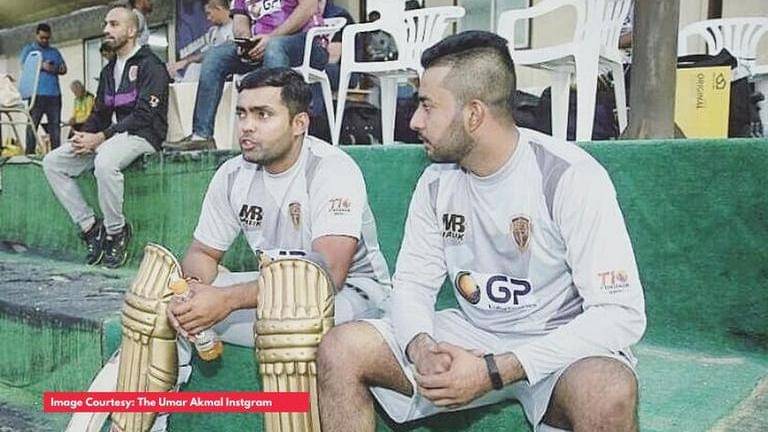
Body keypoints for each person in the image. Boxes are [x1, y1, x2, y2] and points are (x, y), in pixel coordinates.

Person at [317, 31, 647, 432]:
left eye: (427, 106)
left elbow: (620, 315)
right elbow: (413, 286)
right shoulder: (436, 181)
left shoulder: (569, 176)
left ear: (473, 114)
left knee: (609, 389)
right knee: (341, 348)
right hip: (473, 333)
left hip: (555, 343)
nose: (415, 121)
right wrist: (421, 347)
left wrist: (496, 370)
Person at [167, 66, 391, 341]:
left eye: (262, 114)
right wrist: (193, 292)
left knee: (290, 325)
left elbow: (328, 274)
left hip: (354, 293)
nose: (247, 126)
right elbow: (202, 253)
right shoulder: (232, 174)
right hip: (275, 290)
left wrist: (227, 299)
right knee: (163, 306)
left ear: (299, 124)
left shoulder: (331, 169)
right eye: (242, 113)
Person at [42, 5, 169, 269]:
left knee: (104, 162)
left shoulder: (152, 65)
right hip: (114, 136)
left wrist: (101, 137)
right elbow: (99, 112)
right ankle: (90, 227)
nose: (106, 30)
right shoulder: (109, 70)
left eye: (113, 24)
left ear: (131, 31)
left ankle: (116, 232)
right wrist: (84, 136)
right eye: (105, 24)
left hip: (144, 135)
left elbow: (144, 115)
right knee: (53, 162)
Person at [164, 0, 328, 151]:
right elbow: (240, 20)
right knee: (215, 56)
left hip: (307, 42)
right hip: (262, 44)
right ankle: (202, 136)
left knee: (274, 48)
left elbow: (308, 8)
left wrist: (271, 37)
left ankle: (277, 131)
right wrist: (245, 41)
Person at [20, 23, 67, 154]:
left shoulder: (54, 52)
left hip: (54, 95)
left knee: (55, 127)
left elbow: (63, 69)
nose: (45, 40)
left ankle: (56, 155)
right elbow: (24, 66)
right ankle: (29, 154)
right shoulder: (29, 50)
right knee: (32, 126)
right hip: (36, 94)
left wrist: (53, 68)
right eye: (42, 38)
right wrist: (41, 66)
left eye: (47, 38)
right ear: (36, 35)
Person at [166, 0, 233, 80]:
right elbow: (205, 52)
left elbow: (216, 53)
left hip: (228, 76)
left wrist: (187, 61)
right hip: (212, 75)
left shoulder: (235, 28)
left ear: (219, 8)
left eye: (209, 13)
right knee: (193, 68)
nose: (208, 18)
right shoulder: (213, 31)